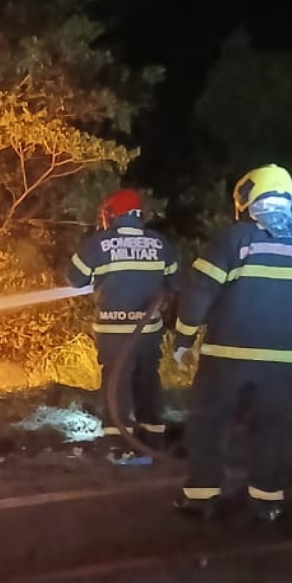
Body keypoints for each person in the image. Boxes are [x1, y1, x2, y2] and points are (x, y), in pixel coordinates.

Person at [171, 164, 292, 522]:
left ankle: (202, 499)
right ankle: (267, 502)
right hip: (284, 362)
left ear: (247, 197)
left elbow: (199, 290)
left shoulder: (234, 239)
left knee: (209, 425)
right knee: (272, 429)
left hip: (226, 358)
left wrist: (183, 339)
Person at [67, 188, 179, 450]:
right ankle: (152, 435)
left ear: (113, 214)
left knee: (116, 381)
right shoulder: (160, 243)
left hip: (113, 330)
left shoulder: (99, 243)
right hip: (148, 331)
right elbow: (174, 283)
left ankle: (118, 441)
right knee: (147, 378)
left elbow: (74, 279)